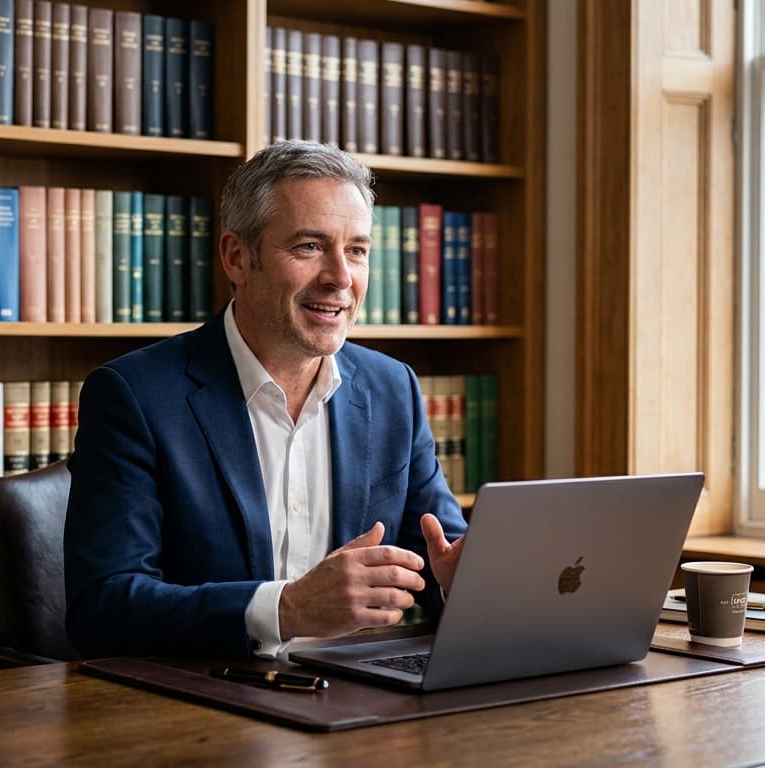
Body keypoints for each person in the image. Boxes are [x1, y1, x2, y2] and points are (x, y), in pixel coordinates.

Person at [63, 141, 467, 659]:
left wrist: (462, 583)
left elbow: (440, 558)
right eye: (309, 247)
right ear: (237, 257)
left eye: (357, 251)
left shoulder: (394, 390)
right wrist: (286, 609)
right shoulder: (135, 396)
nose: (341, 278)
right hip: (203, 706)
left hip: (355, 702)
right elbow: (103, 608)